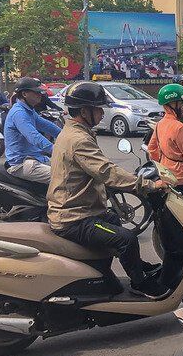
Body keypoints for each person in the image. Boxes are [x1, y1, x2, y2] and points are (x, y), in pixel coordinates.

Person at [47, 82, 171, 299]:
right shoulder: (78, 140)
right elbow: (107, 172)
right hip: (74, 218)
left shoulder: (75, 132)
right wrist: (148, 185)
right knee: (126, 239)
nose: (102, 112)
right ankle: (140, 284)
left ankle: (138, 266)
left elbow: (99, 169)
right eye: (98, 109)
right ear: (85, 111)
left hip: (80, 209)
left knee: (113, 219)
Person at [4, 78, 63, 183]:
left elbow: (47, 126)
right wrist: (56, 150)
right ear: (25, 94)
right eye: (36, 92)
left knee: (70, 169)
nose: (40, 95)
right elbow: (34, 137)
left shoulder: (29, 111)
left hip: (35, 158)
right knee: (64, 179)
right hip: (21, 164)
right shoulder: (19, 113)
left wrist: (66, 136)